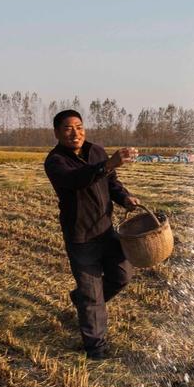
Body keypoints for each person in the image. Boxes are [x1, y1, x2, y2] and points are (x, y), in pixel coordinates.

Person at [44, 109, 140, 360]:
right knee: (92, 294)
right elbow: (76, 179)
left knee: (122, 275)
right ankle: (96, 350)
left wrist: (125, 198)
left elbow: (111, 182)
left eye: (79, 126)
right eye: (67, 128)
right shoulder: (55, 161)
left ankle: (81, 299)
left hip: (106, 230)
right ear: (56, 133)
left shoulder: (96, 150)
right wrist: (108, 163)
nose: (75, 132)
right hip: (81, 237)